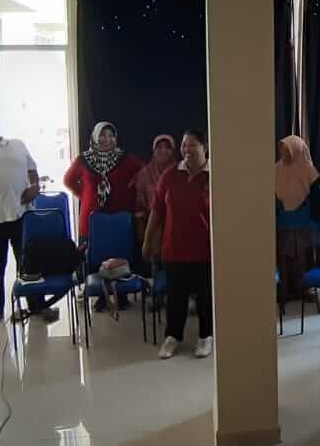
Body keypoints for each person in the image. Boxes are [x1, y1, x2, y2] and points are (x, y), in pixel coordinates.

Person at [0, 112, 56, 325]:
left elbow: (32, 170)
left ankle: (37, 306)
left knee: (29, 265)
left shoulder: (17, 145)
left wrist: (35, 187)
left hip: (22, 214)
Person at [144, 130, 213, 360]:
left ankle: (206, 336)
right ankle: (173, 337)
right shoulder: (170, 175)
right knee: (175, 298)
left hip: (205, 251)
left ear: (204, 147)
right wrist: (148, 241)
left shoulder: (214, 175)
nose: (186, 150)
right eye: (184, 145)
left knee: (205, 297)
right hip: (173, 249)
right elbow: (157, 210)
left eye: (192, 145)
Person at [64, 121, 145, 311]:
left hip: (119, 217)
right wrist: (85, 196)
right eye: (102, 135)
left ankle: (122, 295)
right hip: (93, 218)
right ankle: (101, 295)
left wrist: (134, 194)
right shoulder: (84, 159)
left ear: (115, 138)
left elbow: (144, 172)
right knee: (95, 255)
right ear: (94, 137)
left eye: (111, 135)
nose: (107, 139)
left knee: (120, 252)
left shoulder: (124, 158)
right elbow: (68, 180)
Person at [275, 135, 320, 304]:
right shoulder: (276, 169)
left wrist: (315, 222)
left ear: (296, 151)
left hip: (304, 220)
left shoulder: (309, 171)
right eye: (282, 151)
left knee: (303, 256)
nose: (284, 155)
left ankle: (304, 289)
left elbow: (317, 200)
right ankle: (286, 289)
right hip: (283, 220)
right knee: (284, 255)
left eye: (287, 151)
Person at [133, 134, 177, 253]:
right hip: (151, 222)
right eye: (159, 147)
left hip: (175, 221)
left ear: (173, 151)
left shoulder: (179, 172)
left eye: (167, 147)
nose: (163, 150)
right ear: (153, 151)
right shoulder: (144, 174)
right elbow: (139, 201)